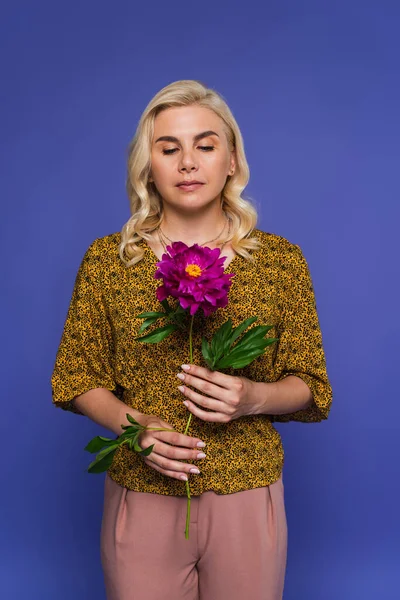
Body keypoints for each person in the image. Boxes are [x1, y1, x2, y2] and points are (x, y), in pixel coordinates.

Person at [51, 79, 333, 600]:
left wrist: (254, 398)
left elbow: (312, 386)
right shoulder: (108, 262)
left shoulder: (280, 262)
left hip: (247, 492)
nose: (188, 163)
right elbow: (77, 378)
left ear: (231, 161)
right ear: (148, 167)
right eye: (169, 148)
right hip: (143, 492)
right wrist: (137, 429)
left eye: (205, 145)